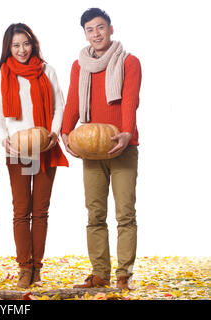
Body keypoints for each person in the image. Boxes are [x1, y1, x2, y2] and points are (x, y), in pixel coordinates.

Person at [61, 8, 142, 290]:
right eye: (90, 30)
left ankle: (124, 275)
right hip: (92, 150)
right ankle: (100, 274)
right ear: (85, 33)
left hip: (123, 146)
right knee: (95, 215)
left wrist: (127, 132)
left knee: (125, 214)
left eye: (100, 28)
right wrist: (65, 132)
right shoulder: (79, 66)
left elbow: (130, 100)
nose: (96, 34)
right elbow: (72, 102)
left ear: (111, 29)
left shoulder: (129, 61)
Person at [0, 23, 69, 288]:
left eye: (26, 43)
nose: (22, 49)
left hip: (45, 146)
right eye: (16, 45)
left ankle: (37, 267)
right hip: (18, 150)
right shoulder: (1, 74)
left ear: (32, 43)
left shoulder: (48, 70)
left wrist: (54, 134)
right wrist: (4, 141)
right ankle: (24, 267)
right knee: (21, 210)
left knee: (41, 211)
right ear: (8, 48)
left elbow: (60, 105)